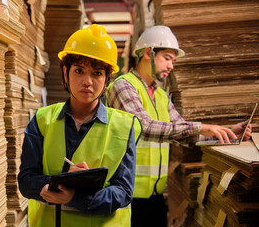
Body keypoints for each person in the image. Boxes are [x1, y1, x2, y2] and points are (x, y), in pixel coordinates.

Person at [105, 25, 252, 227]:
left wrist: (229, 133)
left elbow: (184, 133)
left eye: (173, 60)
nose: (171, 65)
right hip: (124, 197)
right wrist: (200, 126)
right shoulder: (124, 86)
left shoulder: (161, 96)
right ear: (148, 53)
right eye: (167, 58)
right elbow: (144, 127)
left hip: (155, 196)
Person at [18, 24, 141, 227]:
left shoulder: (124, 126)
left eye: (97, 73)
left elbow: (124, 191)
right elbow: (26, 180)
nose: (87, 81)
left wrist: (75, 197)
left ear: (107, 79)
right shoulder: (42, 120)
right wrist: (60, 182)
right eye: (79, 70)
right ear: (65, 72)